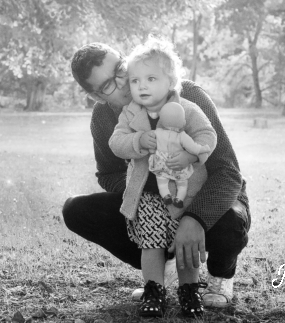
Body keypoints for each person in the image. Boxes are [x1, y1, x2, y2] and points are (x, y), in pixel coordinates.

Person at [64, 41, 251, 310]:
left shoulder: (187, 95)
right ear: (97, 96)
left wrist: (194, 218)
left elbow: (228, 172)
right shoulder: (104, 118)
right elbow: (108, 174)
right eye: (108, 85)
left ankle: (220, 274)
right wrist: (145, 190)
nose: (124, 81)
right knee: (76, 210)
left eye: (120, 67)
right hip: (152, 201)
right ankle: (157, 273)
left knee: (231, 222)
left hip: (205, 194)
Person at [108, 38, 216, 317]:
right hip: (148, 196)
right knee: (151, 245)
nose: (141, 86)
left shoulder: (187, 109)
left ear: (170, 83)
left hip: (183, 194)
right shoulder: (130, 114)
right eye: (135, 80)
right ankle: (153, 290)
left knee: (184, 250)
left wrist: (192, 156)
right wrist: (140, 140)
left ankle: (189, 291)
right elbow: (116, 143)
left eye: (151, 78)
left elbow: (207, 136)